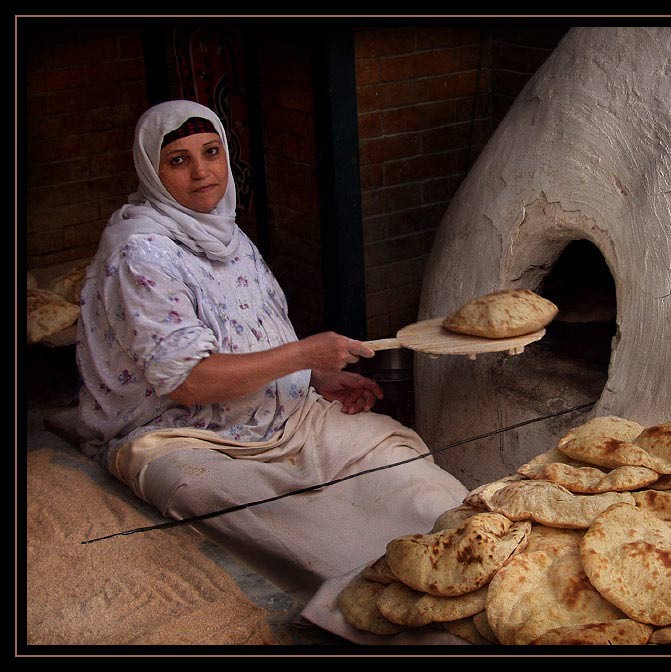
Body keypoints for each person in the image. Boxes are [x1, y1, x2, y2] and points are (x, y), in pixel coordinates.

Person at [74, 100, 469, 598]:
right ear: (151, 171)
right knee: (261, 514)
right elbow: (188, 382)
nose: (202, 173)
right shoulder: (141, 251)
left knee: (410, 475)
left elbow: (255, 333)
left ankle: (463, 562)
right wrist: (304, 357)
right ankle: (375, 598)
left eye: (211, 152)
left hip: (287, 419)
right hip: (184, 436)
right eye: (178, 160)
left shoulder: (224, 231)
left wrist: (314, 379)